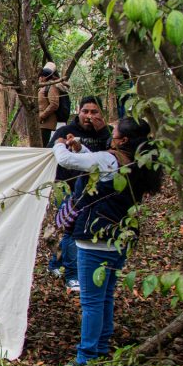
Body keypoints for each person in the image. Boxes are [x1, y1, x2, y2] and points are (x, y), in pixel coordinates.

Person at [52, 118, 162, 366]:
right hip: (120, 238)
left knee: (91, 301)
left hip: (95, 238)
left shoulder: (111, 160)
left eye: (114, 132)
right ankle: (100, 347)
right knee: (105, 296)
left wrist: (59, 141)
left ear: (123, 140)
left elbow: (65, 160)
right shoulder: (136, 161)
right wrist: (82, 150)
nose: (111, 135)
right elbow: (101, 166)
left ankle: (87, 356)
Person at [48, 97, 113, 293]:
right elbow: (51, 153)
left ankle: (56, 264)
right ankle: (71, 274)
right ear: (79, 111)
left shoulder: (107, 133)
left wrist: (103, 132)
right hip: (68, 189)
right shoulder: (65, 131)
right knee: (69, 230)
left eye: (94, 112)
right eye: (86, 111)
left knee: (73, 230)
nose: (89, 116)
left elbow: (111, 156)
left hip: (96, 193)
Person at [37, 64, 62, 147]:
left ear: (44, 77)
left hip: (46, 123)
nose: (39, 79)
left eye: (40, 77)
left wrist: (42, 116)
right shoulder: (43, 87)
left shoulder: (51, 87)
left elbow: (54, 104)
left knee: (42, 146)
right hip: (40, 122)